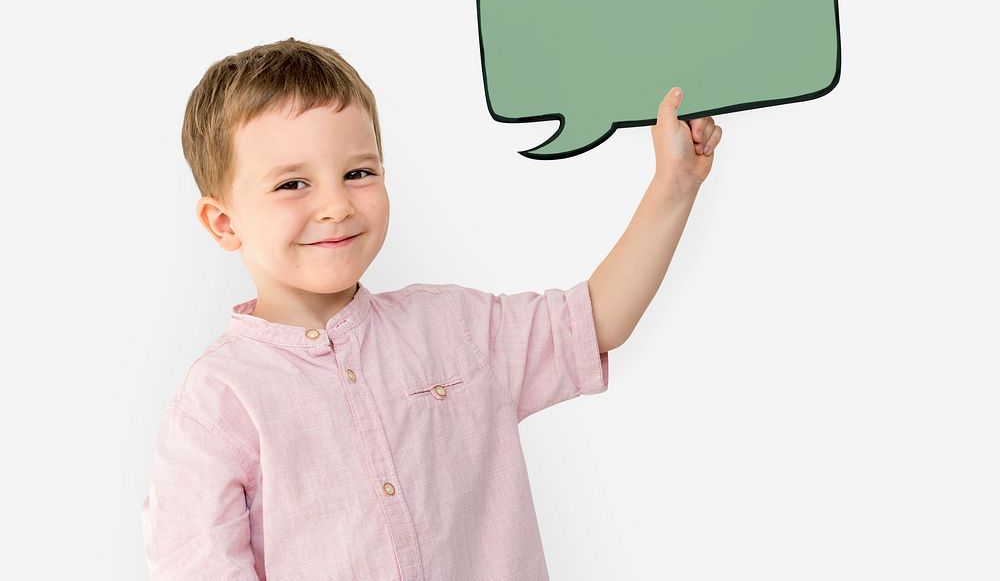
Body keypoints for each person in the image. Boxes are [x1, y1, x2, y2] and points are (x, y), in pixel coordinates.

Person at [139, 37, 721, 580]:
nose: (337, 204)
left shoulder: (455, 328)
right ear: (223, 222)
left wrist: (674, 183)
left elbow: (596, 321)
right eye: (293, 184)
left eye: (358, 173)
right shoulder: (217, 403)